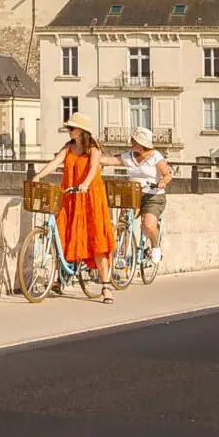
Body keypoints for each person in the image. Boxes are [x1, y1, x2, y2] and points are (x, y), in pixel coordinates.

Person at [33, 114, 116, 303]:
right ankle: (60, 277)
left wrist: (85, 183)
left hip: (90, 197)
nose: (69, 131)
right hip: (70, 196)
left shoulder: (93, 149)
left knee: (97, 241)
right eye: (69, 128)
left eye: (71, 128)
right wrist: (39, 175)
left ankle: (105, 286)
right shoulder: (68, 147)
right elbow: (54, 163)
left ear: (81, 131)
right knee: (63, 234)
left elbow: (94, 168)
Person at [121, 128, 173, 263]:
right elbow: (109, 160)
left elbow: (167, 175)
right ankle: (124, 254)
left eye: (134, 141)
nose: (131, 143)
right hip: (134, 193)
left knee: (149, 226)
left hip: (153, 196)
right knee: (124, 222)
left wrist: (162, 182)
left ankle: (156, 247)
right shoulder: (129, 156)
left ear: (141, 143)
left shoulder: (155, 156)